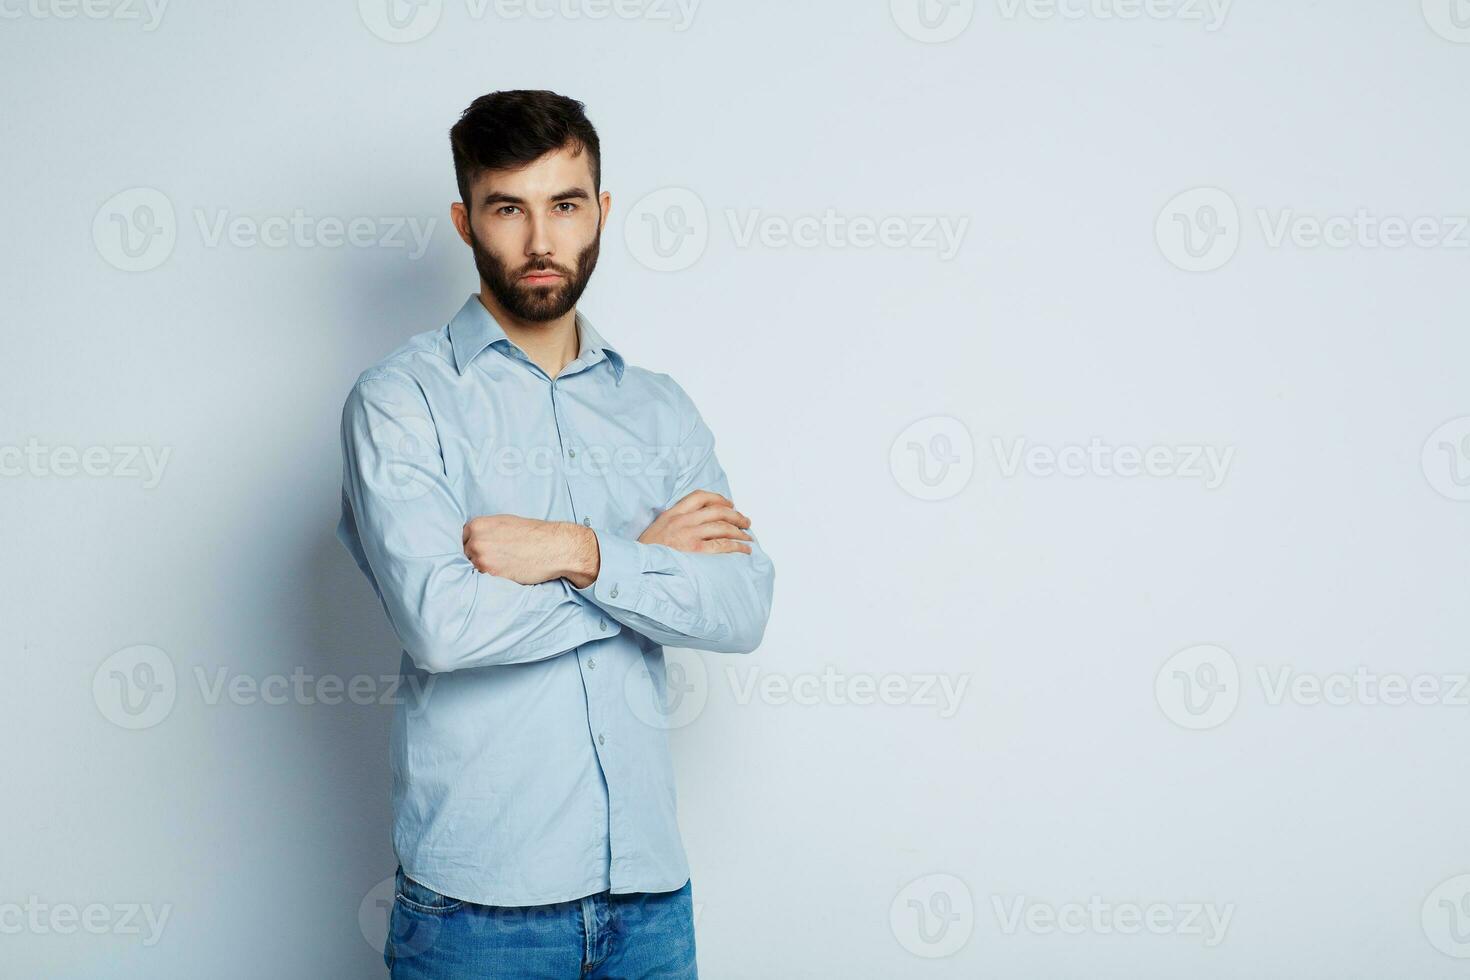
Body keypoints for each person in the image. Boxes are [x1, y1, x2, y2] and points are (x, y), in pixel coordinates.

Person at [335, 89, 776, 978]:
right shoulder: (402, 401)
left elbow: (739, 606)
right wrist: (647, 568)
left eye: (565, 205)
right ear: (465, 221)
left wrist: (581, 554)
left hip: (651, 902)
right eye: (509, 208)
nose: (541, 241)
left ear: (601, 213)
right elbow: (444, 628)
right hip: (478, 915)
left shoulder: (657, 408)